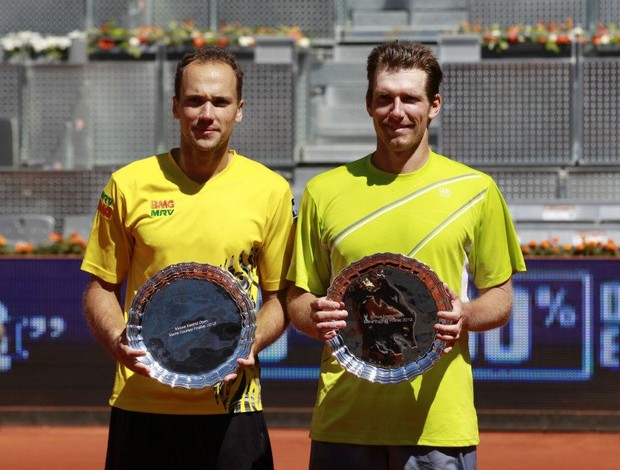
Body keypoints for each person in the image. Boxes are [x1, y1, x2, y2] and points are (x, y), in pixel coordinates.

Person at [286, 40, 526, 470]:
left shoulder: (477, 190)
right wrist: (314, 316)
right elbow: (298, 300)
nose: (397, 111)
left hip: (436, 427)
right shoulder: (323, 192)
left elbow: (502, 297)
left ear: (433, 105)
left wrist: (465, 315)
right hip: (345, 423)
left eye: (410, 98)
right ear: (368, 104)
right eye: (385, 98)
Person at [81, 46, 295, 469]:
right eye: (195, 100)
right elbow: (101, 287)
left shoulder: (270, 191)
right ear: (176, 107)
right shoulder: (128, 184)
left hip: (233, 406)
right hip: (142, 404)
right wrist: (117, 340)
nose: (206, 114)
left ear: (239, 110)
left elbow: (280, 299)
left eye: (220, 102)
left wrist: (248, 343)